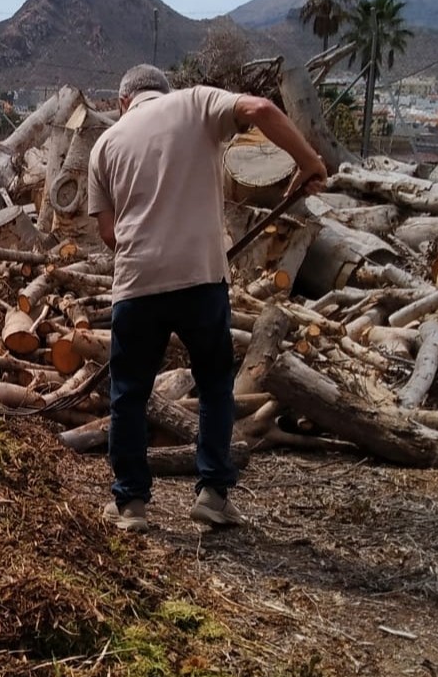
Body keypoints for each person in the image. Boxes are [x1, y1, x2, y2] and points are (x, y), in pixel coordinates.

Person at [87, 64, 327, 533]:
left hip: (137, 283)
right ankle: (213, 495)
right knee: (216, 385)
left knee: (130, 394)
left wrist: (147, 245)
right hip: (200, 277)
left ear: (123, 101)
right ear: (164, 90)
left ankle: (131, 506)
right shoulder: (195, 102)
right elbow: (260, 109)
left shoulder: (105, 144)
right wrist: (309, 162)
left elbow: (109, 234)